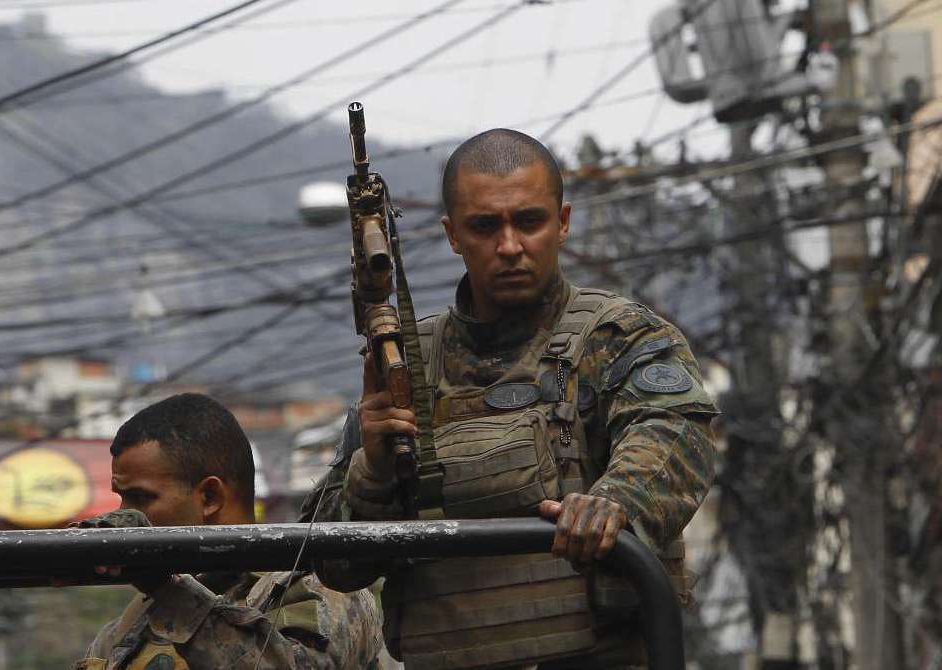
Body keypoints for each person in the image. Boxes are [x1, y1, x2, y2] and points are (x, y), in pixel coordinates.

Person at [305, 129, 719, 669]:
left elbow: (674, 437)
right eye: (484, 226)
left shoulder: (617, 338)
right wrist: (374, 474)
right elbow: (330, 561)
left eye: (529, 221)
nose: (509, 246)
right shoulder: (404, 366)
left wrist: (615, 502)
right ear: (452, 235)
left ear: (563, 222)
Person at [72, 393, 388, 670]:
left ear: (209, 497)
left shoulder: (321, 585)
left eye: (142, 498)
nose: (124, 514)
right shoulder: (135, 623)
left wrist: (166, 589)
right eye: (121, 497)